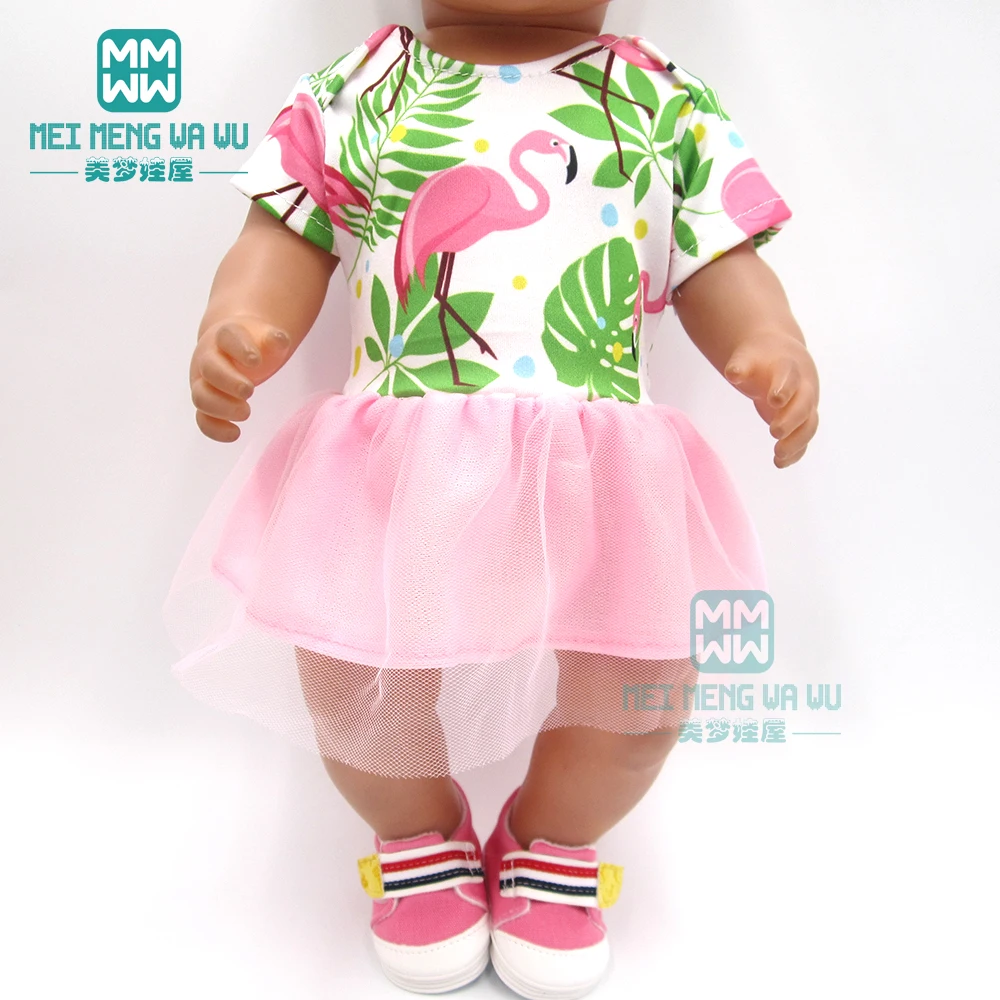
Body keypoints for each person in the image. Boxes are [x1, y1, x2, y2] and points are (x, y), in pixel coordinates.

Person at [163, 2, 819, 996]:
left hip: (601, 467)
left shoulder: (661, 100)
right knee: (351, 675)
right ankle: (416, 831)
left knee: (640, 692)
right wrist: (241, 320)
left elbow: (723, 258)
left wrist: (768, 340)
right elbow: (284, 231)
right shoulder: (365, 88)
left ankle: (553, 839)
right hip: (400, 460)